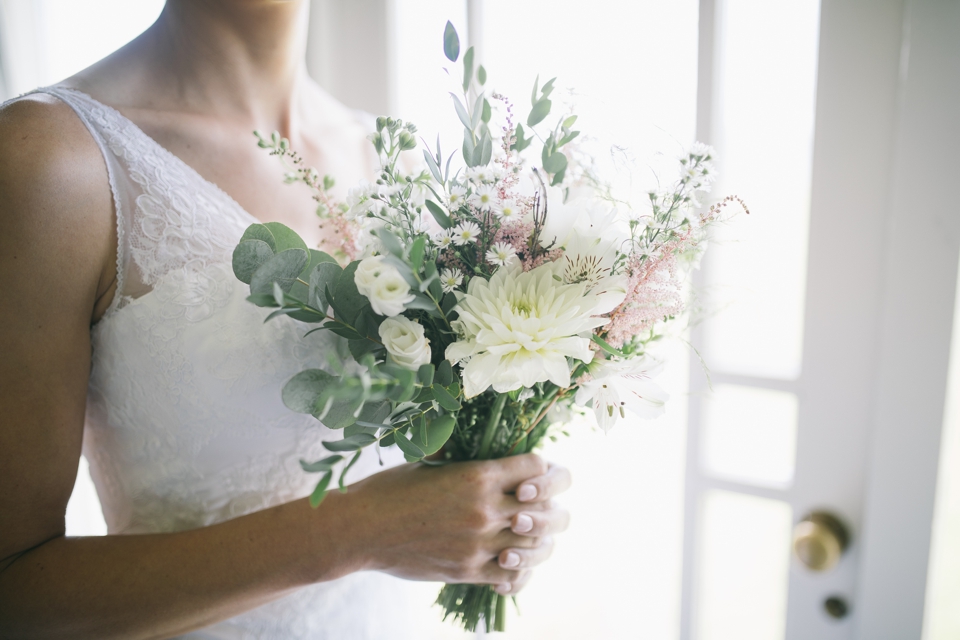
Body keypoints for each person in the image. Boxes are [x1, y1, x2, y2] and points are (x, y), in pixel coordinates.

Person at [0, 1, 571, 637]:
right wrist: (359, 530)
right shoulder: (50, 159)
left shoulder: (400, 164)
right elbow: (13, 591)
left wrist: (491, 516)